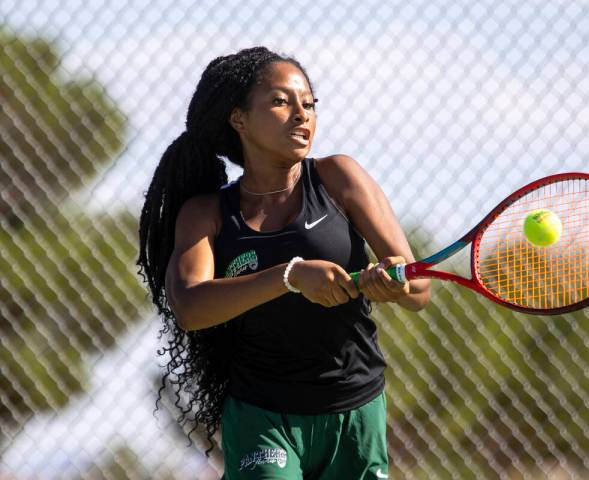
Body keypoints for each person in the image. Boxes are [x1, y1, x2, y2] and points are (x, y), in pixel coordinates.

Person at [137, 46, 430, 479]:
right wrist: (289, 276)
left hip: (354, 408)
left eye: (309, 104)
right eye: (281, 101)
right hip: (262, 416)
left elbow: (419, 290)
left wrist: (396, 285)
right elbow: (189, 307)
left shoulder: (339, 177)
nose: (301, 115)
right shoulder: (207, 213)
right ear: (238, 118)